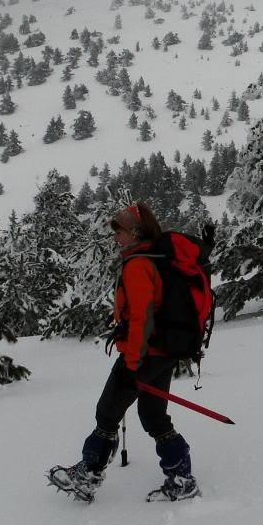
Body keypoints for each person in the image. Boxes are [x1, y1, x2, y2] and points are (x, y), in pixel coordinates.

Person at [48, 203, 200, 502]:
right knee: (153, 415)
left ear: (134, 232)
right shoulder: (155, 258)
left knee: (107, 413)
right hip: (162, 351)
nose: (115, 236)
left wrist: (132, 362)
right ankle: (181, 477)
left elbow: (143, 316)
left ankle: (87, 475)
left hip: (143, 353)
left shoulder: (139, 264)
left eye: (118, 230)